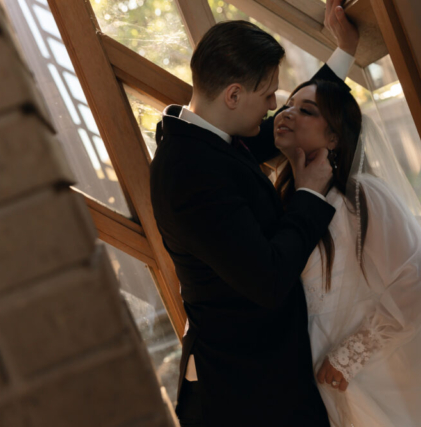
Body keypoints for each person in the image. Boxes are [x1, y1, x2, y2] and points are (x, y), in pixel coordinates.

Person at [149, 4, 360, 426]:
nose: (274, 108)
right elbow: (267, 279)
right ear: (233, 95)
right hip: (246, 395)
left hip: (259, 379)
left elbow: (293, 123)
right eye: (267, 96)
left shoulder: (205, 136)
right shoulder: (189, 172)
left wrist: (344, 54)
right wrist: (309, 194)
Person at [272, 79, 421, 426]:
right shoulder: (282, 198)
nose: (287, 113)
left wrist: (350, 356)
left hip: (386, 371)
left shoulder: (361, 196)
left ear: (333, 137)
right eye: (287, 104)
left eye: (306, 110)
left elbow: (419, 277)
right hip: (322, 373)